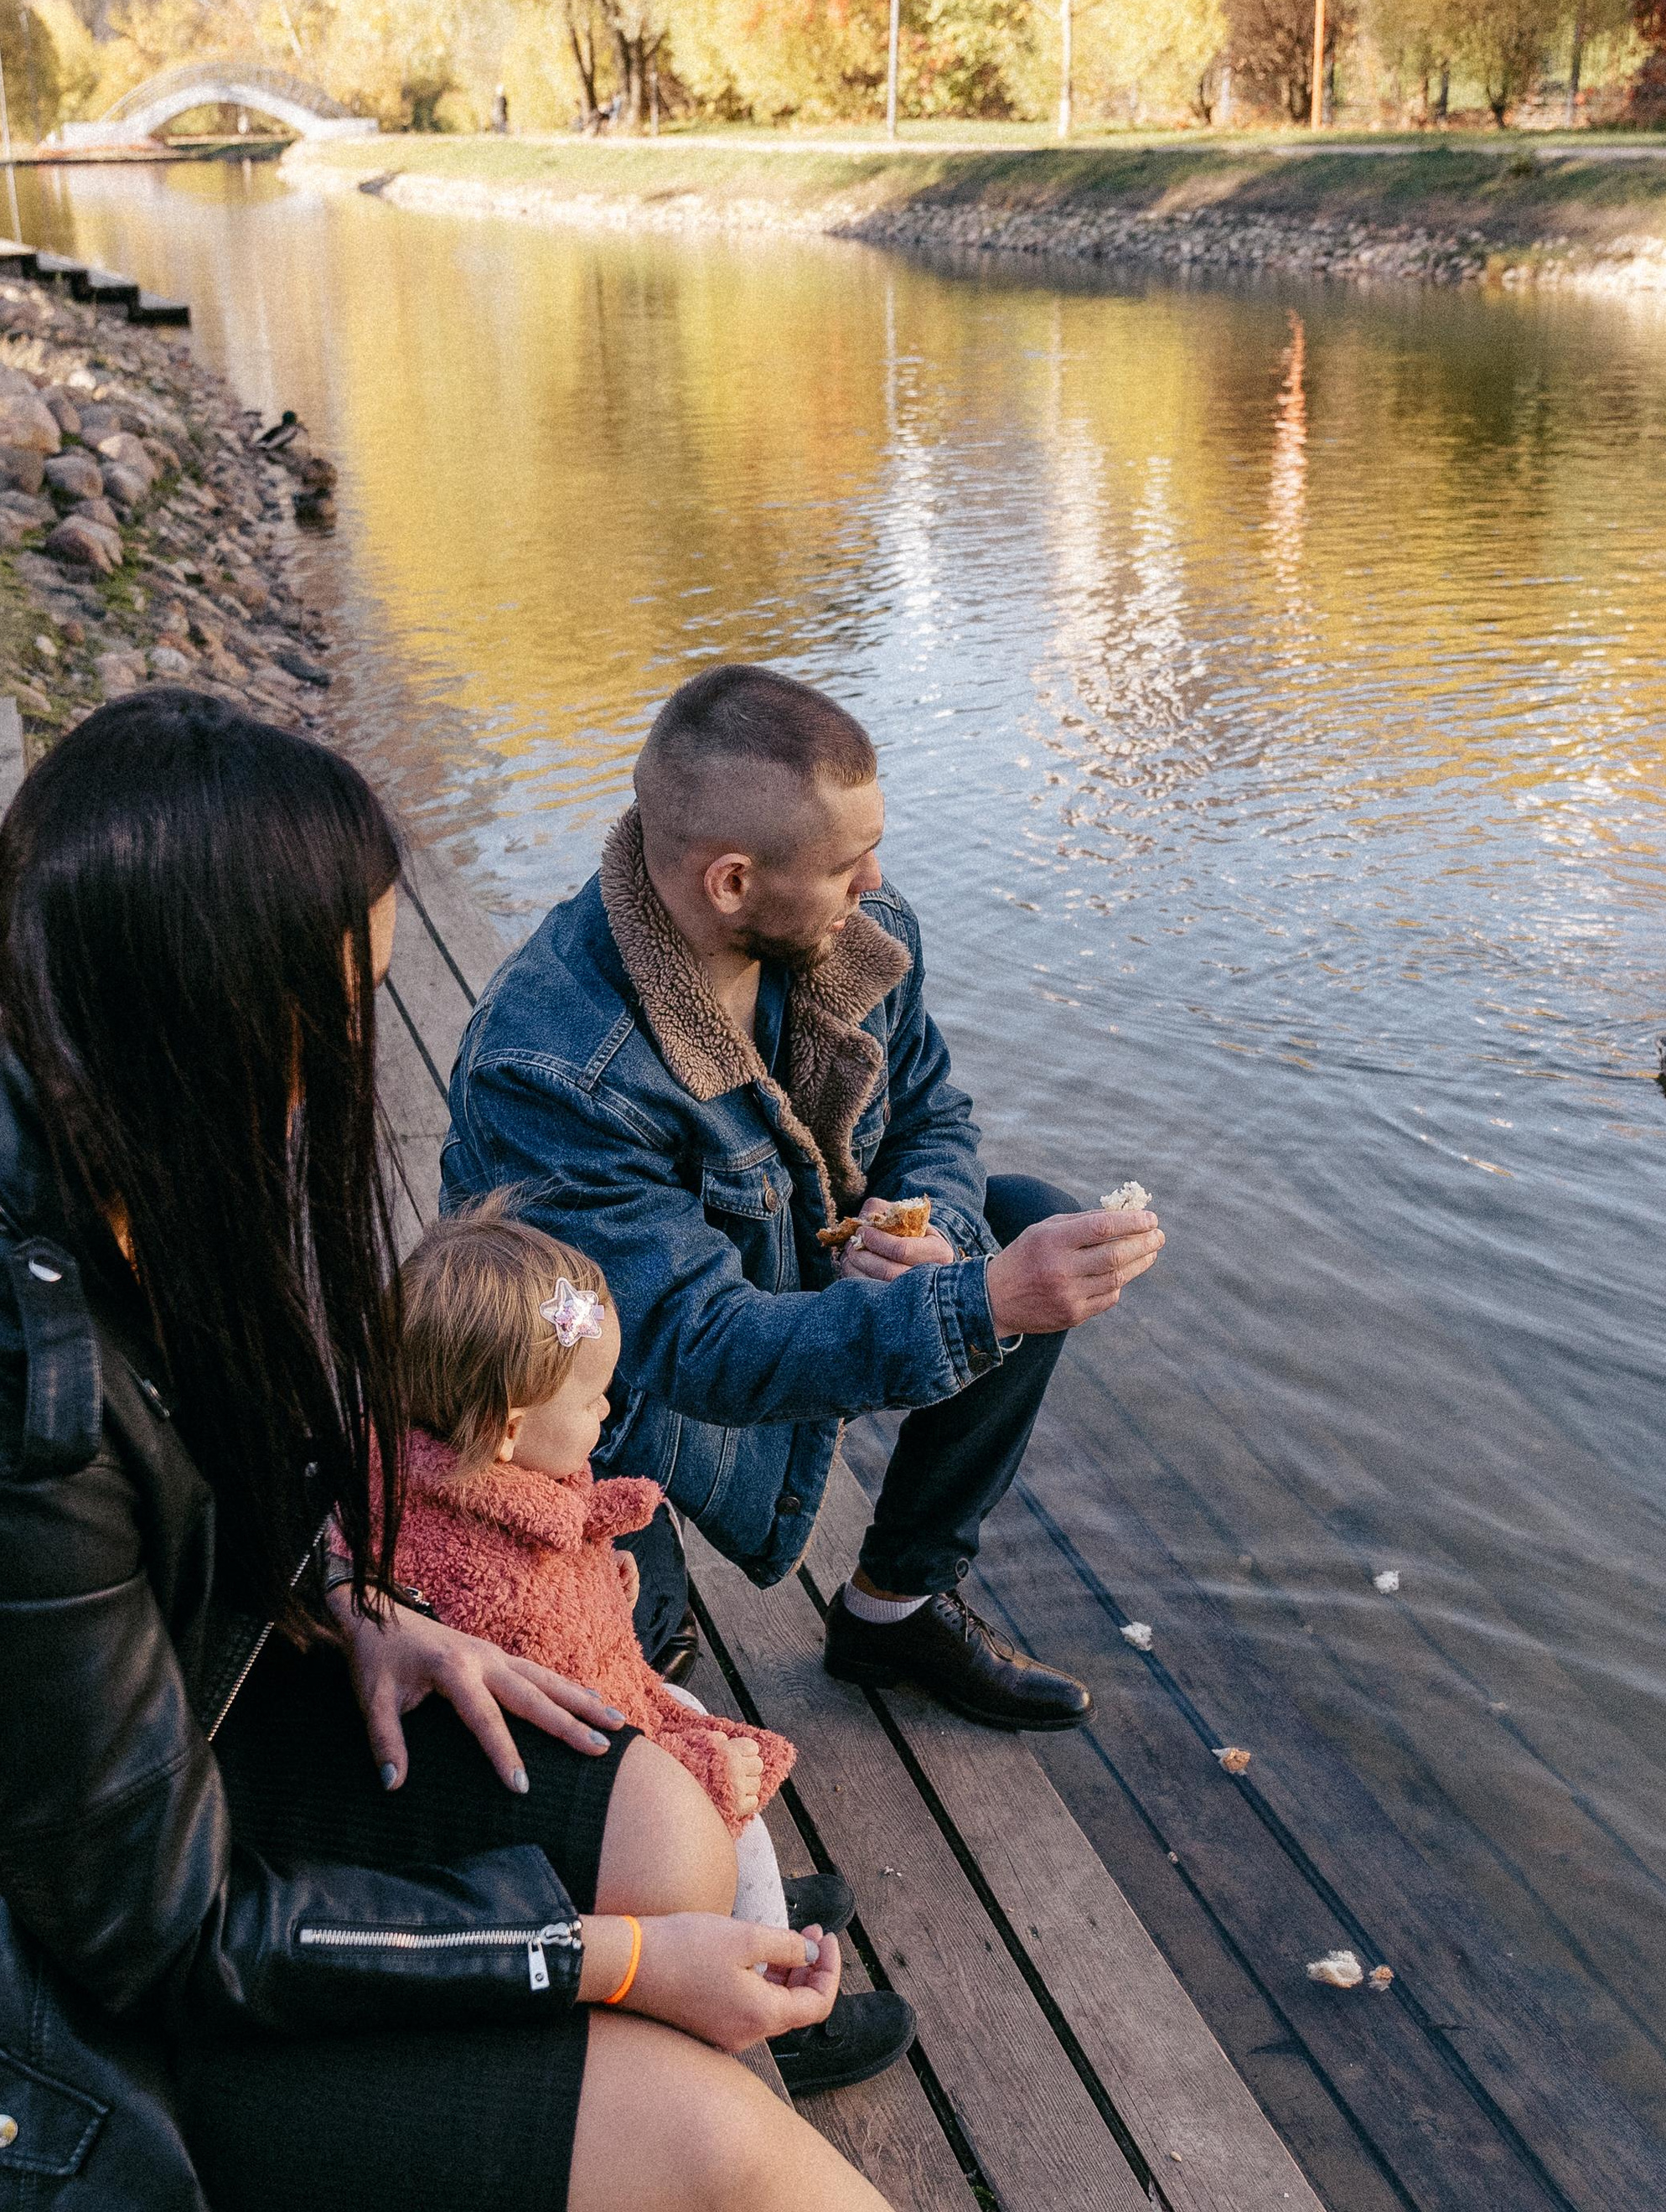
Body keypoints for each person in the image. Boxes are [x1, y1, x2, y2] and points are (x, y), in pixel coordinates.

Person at [0, 691, 1246, 2212]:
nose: (359, 1066)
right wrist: (615, 1970)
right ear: (208, 1020)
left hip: (100, 1780)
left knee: (655, 1809)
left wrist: (347, 1604)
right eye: (332, 1017)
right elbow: (155, 1931)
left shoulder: (91, 1133)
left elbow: (155, 1532)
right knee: (695, 2127)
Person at [443, 662, 1163, 1733]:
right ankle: (637, 1610)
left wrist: (939, 1240)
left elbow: (934, 1116)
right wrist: (979, 1304)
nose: (876, 879)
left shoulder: (855, 931)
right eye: (846, 861)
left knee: (1020, 1214)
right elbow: (692, 1346)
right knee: (631, 1675)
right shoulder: (548, 1067)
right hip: (596, 1378)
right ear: (731, 882)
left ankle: (894, 1609)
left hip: (764, 1271)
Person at [392, 1195, 904, 2101]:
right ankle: (768, 1997)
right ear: (510, 1429)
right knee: (718, 1783)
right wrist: (689, 1763)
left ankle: (758, 1910)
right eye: (592, 1399)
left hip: (520, 1746)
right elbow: (586, 1694)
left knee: (703, 1729)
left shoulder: (421, 1462)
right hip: (550, 1786)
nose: (607, 1411)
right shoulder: (504, 1580)